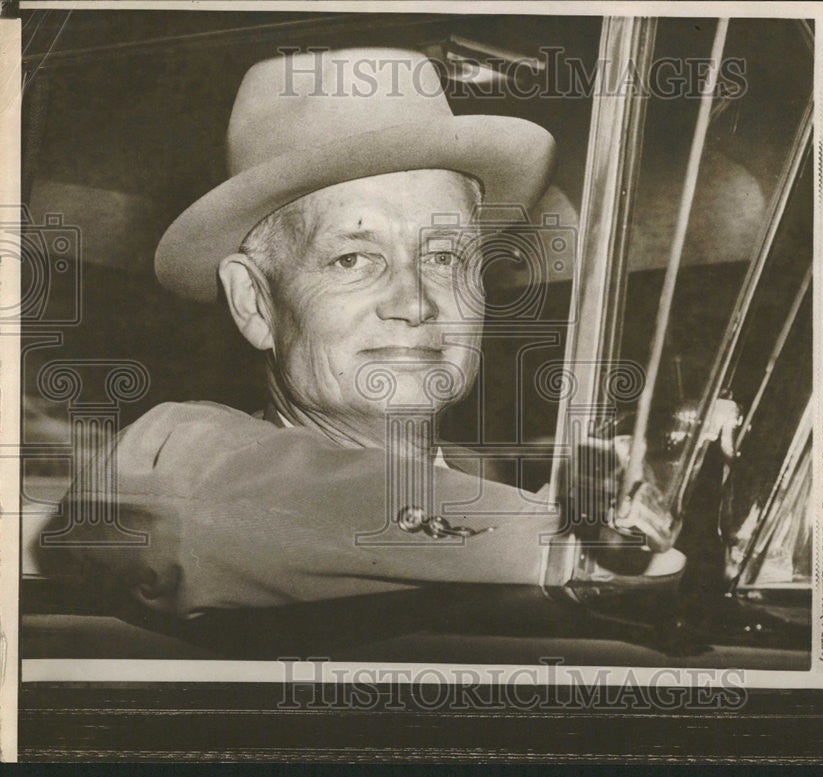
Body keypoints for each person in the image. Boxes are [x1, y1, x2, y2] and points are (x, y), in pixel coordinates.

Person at [39, 49, 677, 619]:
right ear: (255, 302)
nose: (415, 303)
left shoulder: (502, 485)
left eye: (445, 257)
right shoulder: (184, 465)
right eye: (352, 259)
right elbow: (193, 506)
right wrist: (584, 542)